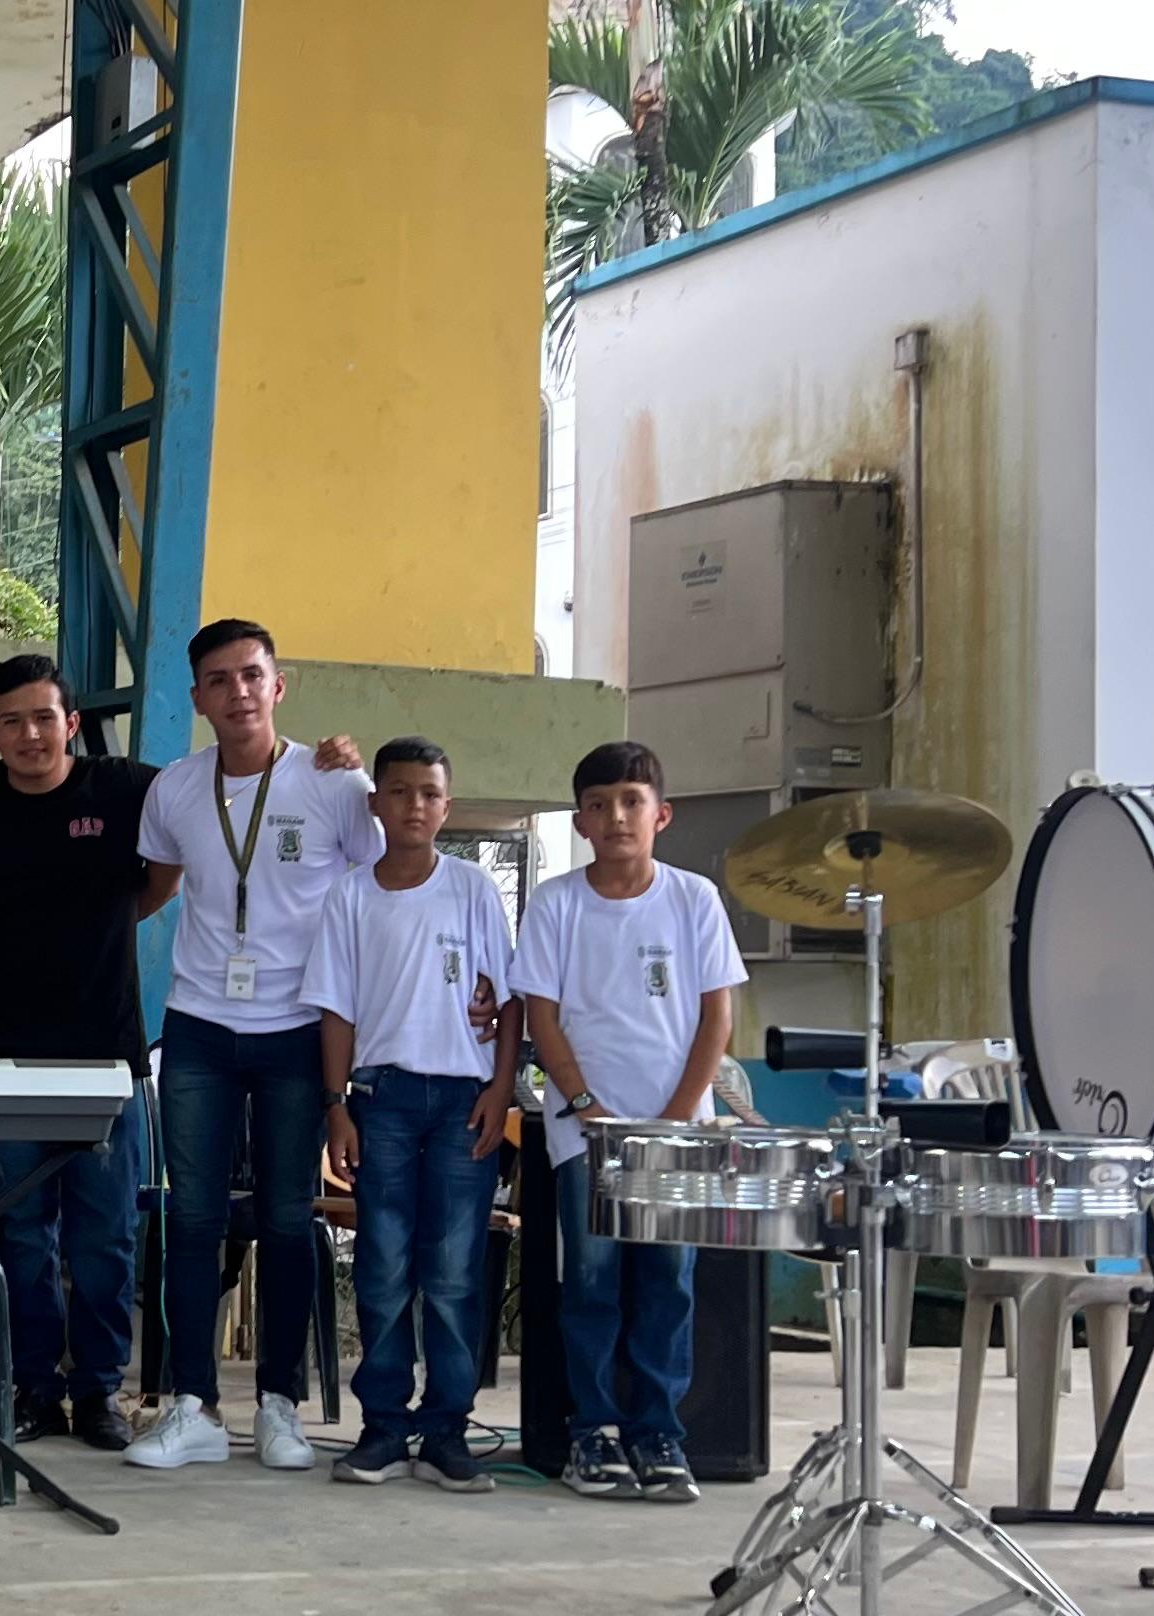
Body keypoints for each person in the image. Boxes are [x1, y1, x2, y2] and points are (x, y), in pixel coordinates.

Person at [128, 619, 374, 1474]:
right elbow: (155, 886)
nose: (237, 691)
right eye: (218, 679)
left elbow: (381, 886)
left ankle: (279, 1405)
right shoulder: (174, 789)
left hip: (299, 1027)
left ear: (278, 685)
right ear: (197, 697)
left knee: (285, 1217)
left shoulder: (333, 782)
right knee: (192, 1218)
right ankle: (191, 1403)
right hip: (198, 1024)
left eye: (251, 675)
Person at [0, 654, 158, 1454]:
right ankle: (33, 1388)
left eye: (44, 717)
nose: (30, 734)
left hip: (103, 1054)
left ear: (71, 723)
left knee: (104, 1234)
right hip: (1, 1055)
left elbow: (166, 870)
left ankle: (97, 1389)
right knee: (22, 1232)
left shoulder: (123, 789)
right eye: (12, 720)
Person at [518, 740, 743, 1505]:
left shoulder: (694, 898)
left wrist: (676, 1117)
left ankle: (658, 1434)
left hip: (673, 1134)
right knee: (590, 1282)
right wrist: (584, 1104)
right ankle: (593, 1432)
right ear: (579, 821)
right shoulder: (555, 903)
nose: (615, 815)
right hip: (586, 1133)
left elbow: (716, 1016)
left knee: (666, 1283)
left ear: (661, 815)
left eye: (631, 801)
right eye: (598, 803)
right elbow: (541, 1016)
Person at [312, 738, 519, 1493]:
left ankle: (445, 1431)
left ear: (447, 805)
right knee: (383, 1266)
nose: (414, 806)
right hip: (382, 1099)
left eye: (429, 793)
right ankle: (382, 1427)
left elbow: (509, 999)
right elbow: (335, 1009)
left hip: (464, 1102)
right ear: (375, 803)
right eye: (398, 792)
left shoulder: (472, 889)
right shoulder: (350, 897)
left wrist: (500, 1090)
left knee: (455, 1272)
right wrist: (336, 1105)